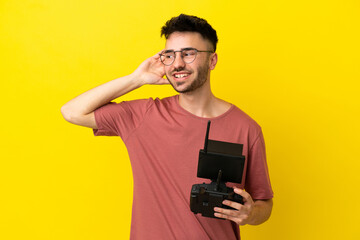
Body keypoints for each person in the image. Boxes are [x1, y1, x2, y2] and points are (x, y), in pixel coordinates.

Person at [61, 14, 273, 240]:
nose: (178, 63)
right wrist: (137, 78)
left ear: (212, 60)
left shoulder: (247, 128)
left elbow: (264, 203)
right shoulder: (144, 116)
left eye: (189, 53)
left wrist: (251, 214)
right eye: (169, 55)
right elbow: (72, 112)